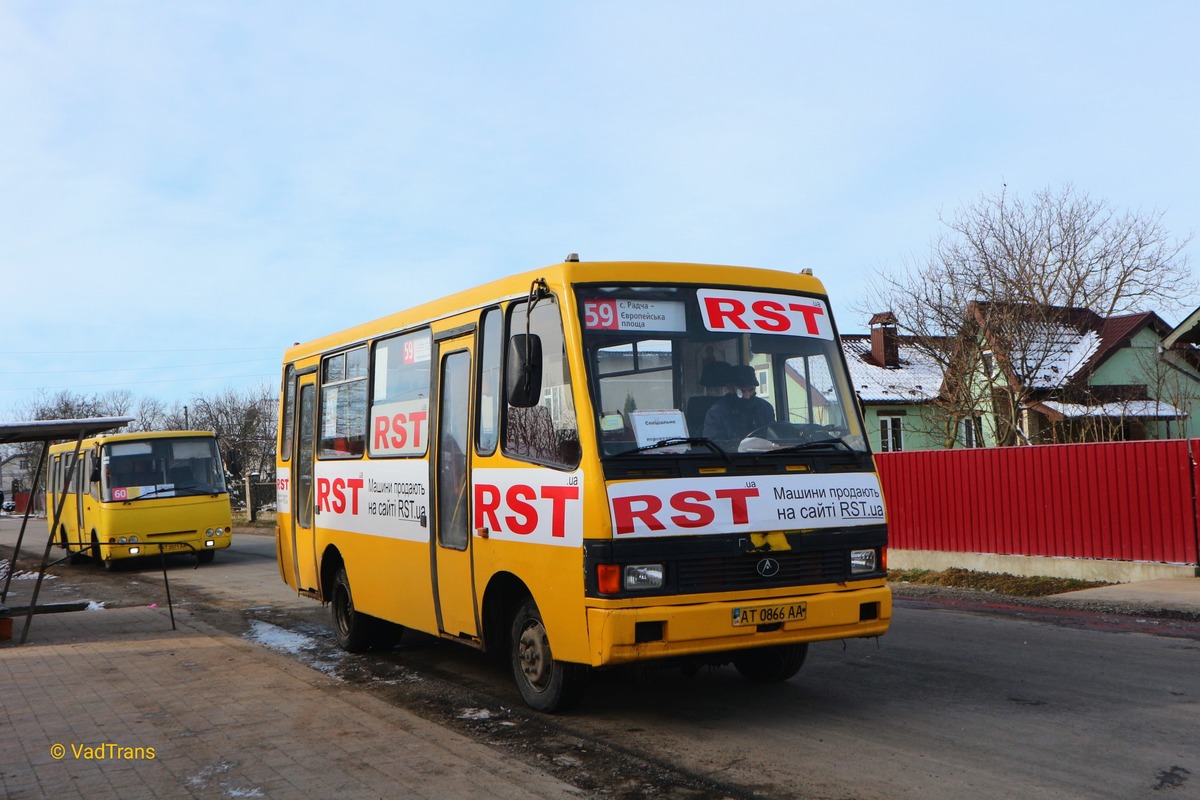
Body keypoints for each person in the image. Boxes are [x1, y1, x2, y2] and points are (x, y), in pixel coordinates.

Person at [703, 364, 775, 441]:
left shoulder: (765, 409)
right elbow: (715, 445)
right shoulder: (716, 413)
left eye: (751, 390)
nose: (747, 396)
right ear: (730, 388)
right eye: (742, 391)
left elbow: (774, 436)